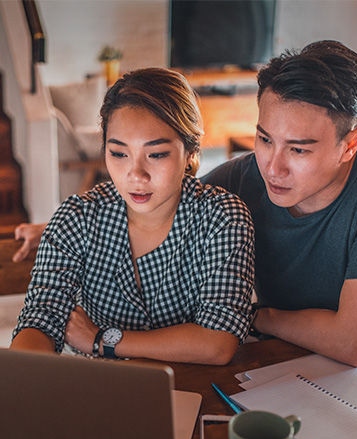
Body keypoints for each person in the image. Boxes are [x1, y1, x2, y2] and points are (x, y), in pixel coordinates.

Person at [11, 67, 255, 365]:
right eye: (118, 153)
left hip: (193, 385)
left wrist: (102, 340)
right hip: (100, 387)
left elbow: (218, 341)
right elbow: (41, 319)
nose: (135, 175)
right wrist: (17, 380)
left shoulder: (222, 218)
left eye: (156, 154)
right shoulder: (76, 218)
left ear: (191, 151)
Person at [202, 40, 357, 367]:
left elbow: (352, 343)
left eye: (298, 150)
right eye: (265, 139)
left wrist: (258, 318)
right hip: (286, 363)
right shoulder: (237, 181)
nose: (273, 168)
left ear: (349, 146)